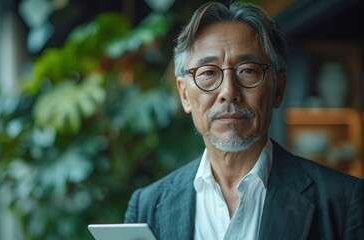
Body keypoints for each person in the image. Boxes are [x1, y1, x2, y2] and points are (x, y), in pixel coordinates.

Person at [123, 1, 364, 240]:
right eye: (208, 72)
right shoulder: (147, 207)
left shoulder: (343, 201)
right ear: (185, 94)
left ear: (278, 89)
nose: (229, 91)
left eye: (248, 70)